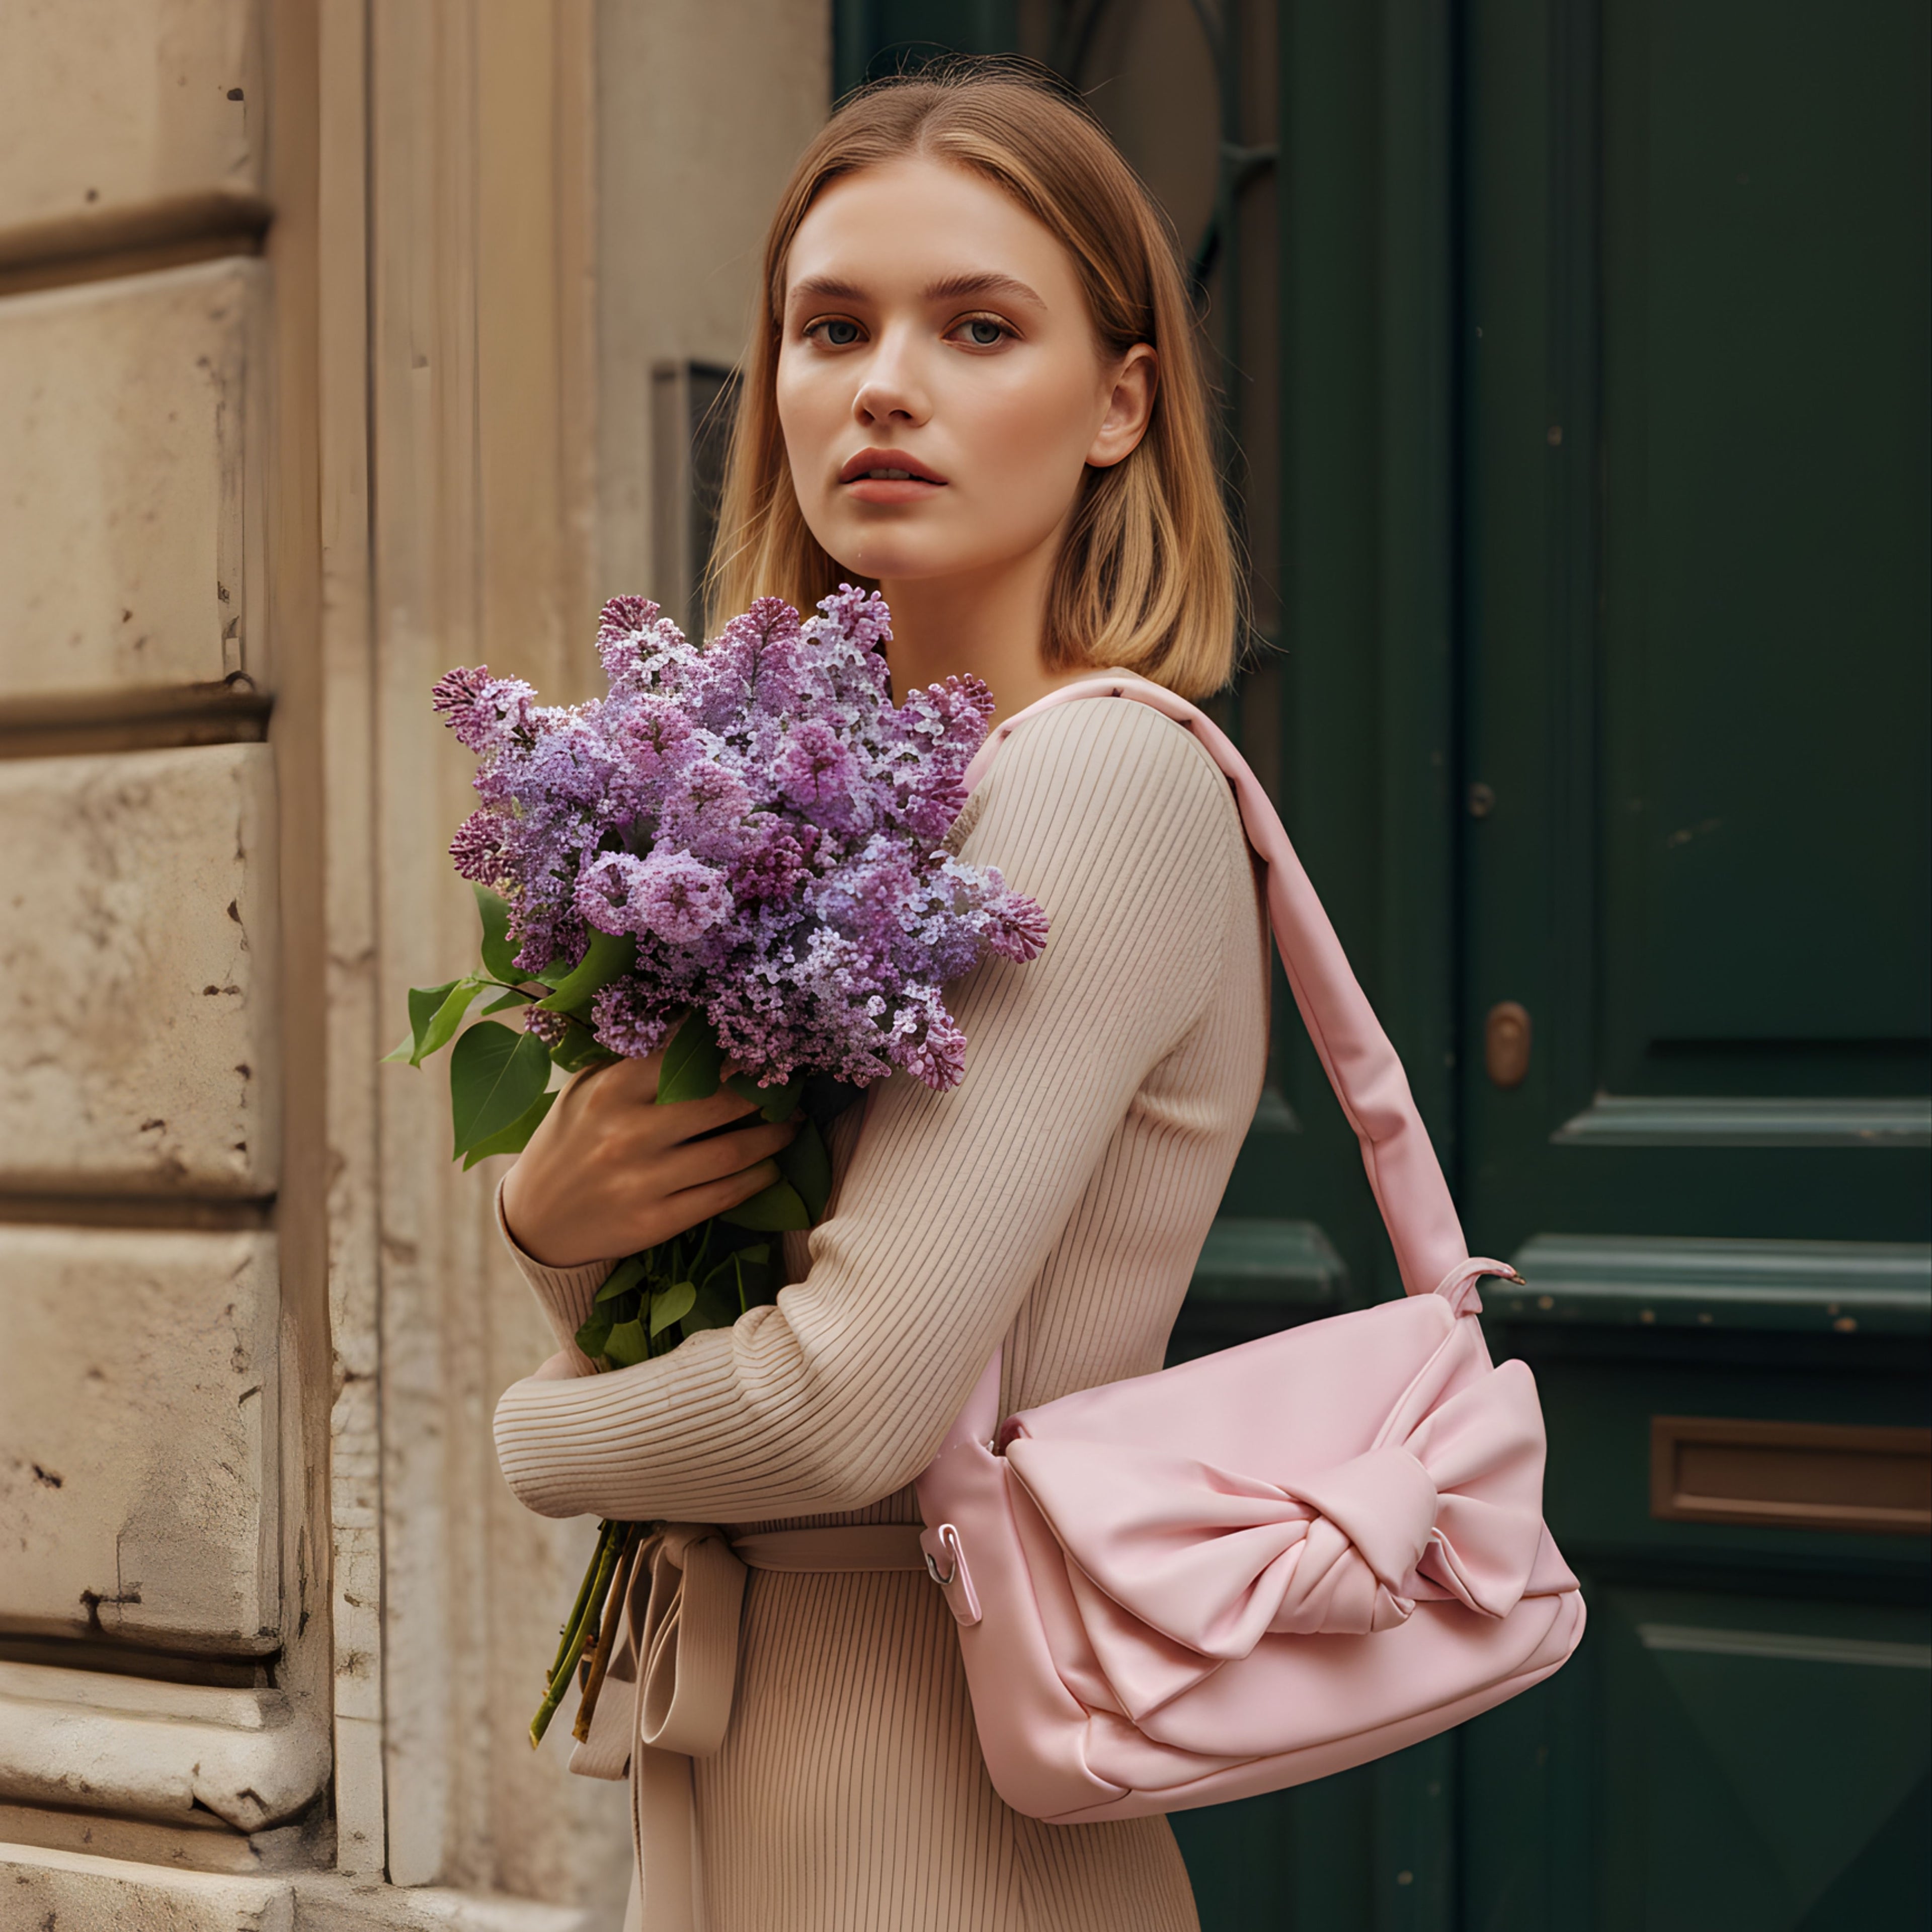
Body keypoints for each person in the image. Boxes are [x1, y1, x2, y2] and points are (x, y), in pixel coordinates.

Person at [493, 59, 1267, 1932]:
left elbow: (841, 1415)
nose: (883, 383)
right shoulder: (758, 805)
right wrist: (554, 1216)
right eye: (830, 327)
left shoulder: (1090, 783)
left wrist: (533, 1434)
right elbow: (696, 1290)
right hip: (748, 1759)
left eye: (979, 325)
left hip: (938, 1803)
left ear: (1119, 401)